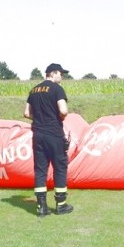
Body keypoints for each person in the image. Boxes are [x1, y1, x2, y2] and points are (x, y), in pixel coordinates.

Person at [24, 63, 73, 217]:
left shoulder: (33, 90)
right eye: (61, 74)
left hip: (38, 134)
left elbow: (26, 113)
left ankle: (41, 207)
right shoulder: (57, 89)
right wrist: (57, 117)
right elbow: (63, 111)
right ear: (53, 73)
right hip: (53, 133)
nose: (62, 77)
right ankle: (61, 205)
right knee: (59, 167)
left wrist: (39, 117)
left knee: (40, 170)